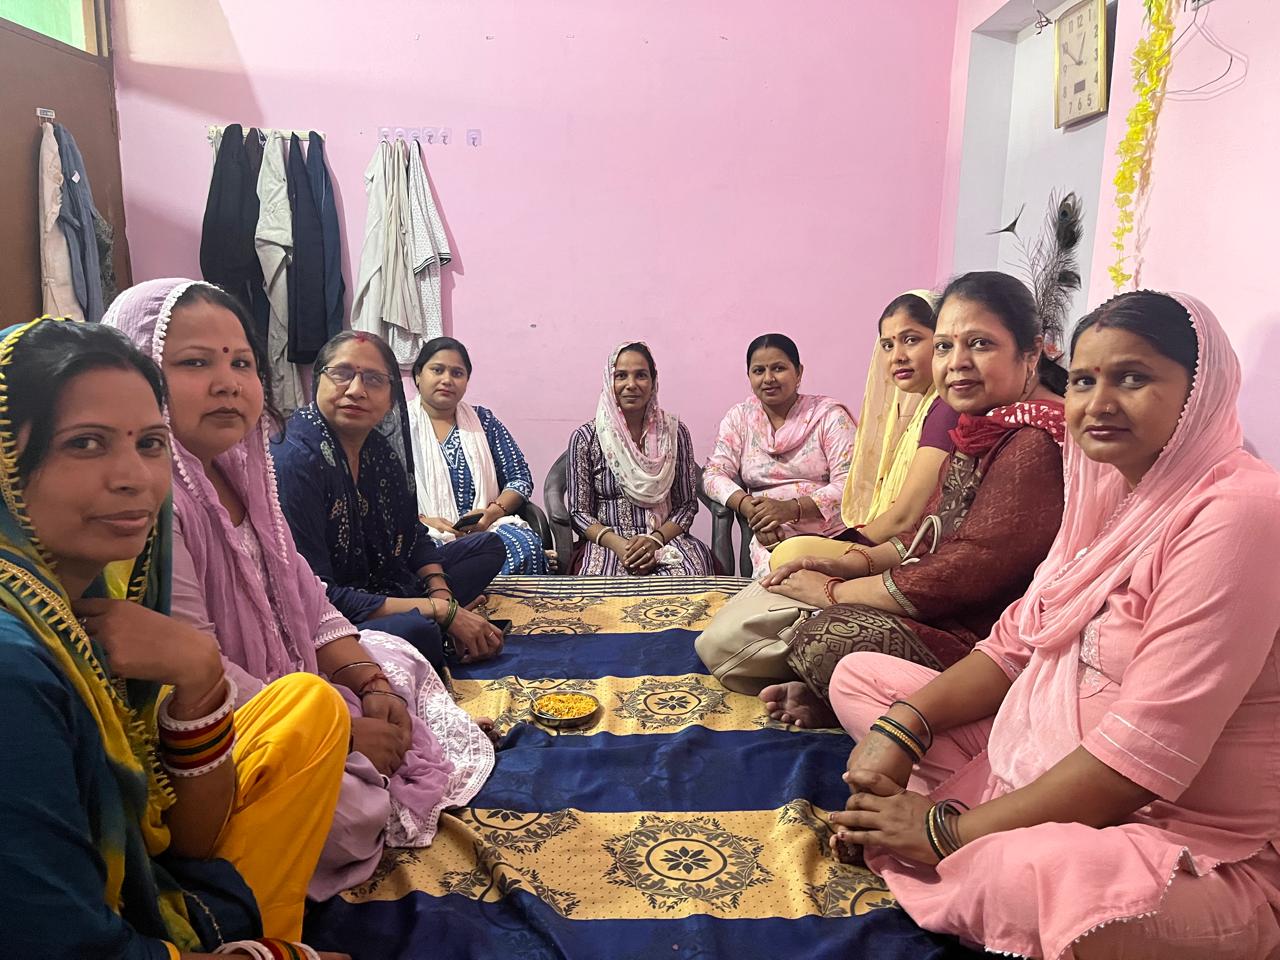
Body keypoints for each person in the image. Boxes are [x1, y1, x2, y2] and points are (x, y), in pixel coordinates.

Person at [826, 291, 1280, 959]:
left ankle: (963, 838)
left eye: (1133, 377)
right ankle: (970, 823)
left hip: (1184, 838)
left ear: (1199, 391)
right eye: (1086, 381)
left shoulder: (1240, 512)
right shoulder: (1106, 488)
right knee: (860, 679)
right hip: (1052, 752)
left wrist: (946, 833)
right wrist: (902, 729)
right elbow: (1014, 645)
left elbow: (1144, 756)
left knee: (1023, 878)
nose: (1098, 403)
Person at [104, 279, 495, 901]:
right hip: (230, 726)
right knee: (349, 811)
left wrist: (370, 682)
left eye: (242, 363)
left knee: (408, 646)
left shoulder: (251, 473)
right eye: (195, 363)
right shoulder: (162, 497)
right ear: (134, 377)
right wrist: (340, 729)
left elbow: (308, 597)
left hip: (310, 664)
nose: (228, 383)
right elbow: (198, 667)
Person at [0, 317, 350, 959]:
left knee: (312, 705)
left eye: (150, 443)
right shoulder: (12, 667)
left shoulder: (106, 584)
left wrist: (199, 676)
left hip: (150, 880)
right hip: (91, 933)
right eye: (85, 443)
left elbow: (191, 840)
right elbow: (61, 945)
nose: (134, 476)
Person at [695, 272, 1066, 709]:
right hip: (910, 576)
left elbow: (966, 567)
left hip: (984, 632)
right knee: (785, 585)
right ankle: (842, 687)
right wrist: (844, 564)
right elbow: (925, 531)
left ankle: (854, 692)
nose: (956, 362)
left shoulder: (1034, 441)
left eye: (980, 344)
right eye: (945, 346)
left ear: (1032, 352)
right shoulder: (980, 424)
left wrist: (835, 588)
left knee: (821, 638)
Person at [272, 331, 506, 675]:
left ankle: (429, 619)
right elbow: (316, 595)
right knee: (417, 632)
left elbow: (412, 534)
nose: (356, 390)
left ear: (390, 395)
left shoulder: (379, 451)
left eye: (373, 379)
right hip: (331, 612)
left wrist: (440, 594)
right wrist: (443, 613)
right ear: (318, 379)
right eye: (342, 373)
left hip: (386, 580)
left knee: (488, 546)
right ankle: (428, 627)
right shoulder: (296, 460)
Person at [769, 291, 960, 567]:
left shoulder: (945, 408)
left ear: (942, 342)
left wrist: (847, 548)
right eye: (887, 345)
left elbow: (904, 516)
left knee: (791, 555)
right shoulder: (923, 410)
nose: (897, 357)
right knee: (788, 552)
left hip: (911, 548)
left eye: (911, 340)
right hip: (886, 540)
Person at [701, 334, 856, 576]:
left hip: (832, 533)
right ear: (749, 376)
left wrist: (792, 509)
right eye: (758, 371)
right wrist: (750, 508)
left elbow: (851, 484)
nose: (768, 379)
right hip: (771, 535)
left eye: (778, 368)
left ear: (799, 372)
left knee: (821, 588)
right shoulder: (740, 418)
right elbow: (712, 475)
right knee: (778, 588)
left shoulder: (829, 417)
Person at [566, 341, 714, 576]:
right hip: (607, 543)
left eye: (641, 375)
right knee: (601, 590)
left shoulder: (674, 433)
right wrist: (620, 546)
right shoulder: (586, 438)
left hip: (666, 539)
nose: (631, 384)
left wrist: (655, 540)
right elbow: (579, 512)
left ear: (654, 381)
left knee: (688, 584)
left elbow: (686, 505)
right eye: (621, 376)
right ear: (608, 381)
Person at [407, 337, 548, 575]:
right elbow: (379, 494)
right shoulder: (396, 424)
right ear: (418, 375)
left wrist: (490, 513)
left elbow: (520, 478)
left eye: (457, 373)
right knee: (424, 555)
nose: (447, 380)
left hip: (486, 527)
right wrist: (422, 521)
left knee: (526, 547)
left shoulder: (484, 421)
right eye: (437, 370)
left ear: (466, 381)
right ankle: (449, 598)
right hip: (423, 530)